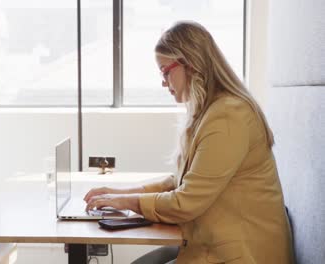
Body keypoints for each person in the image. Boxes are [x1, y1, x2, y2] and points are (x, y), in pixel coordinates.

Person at [84, 21, 294, 264]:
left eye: (165, 72)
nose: (164, 83)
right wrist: (120, 194)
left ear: (190, 64)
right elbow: (180, 181)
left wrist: (126, 202)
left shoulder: (229, 117)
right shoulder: (210, 111)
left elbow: (185, 202)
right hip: (213, 242)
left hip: (243, 254)